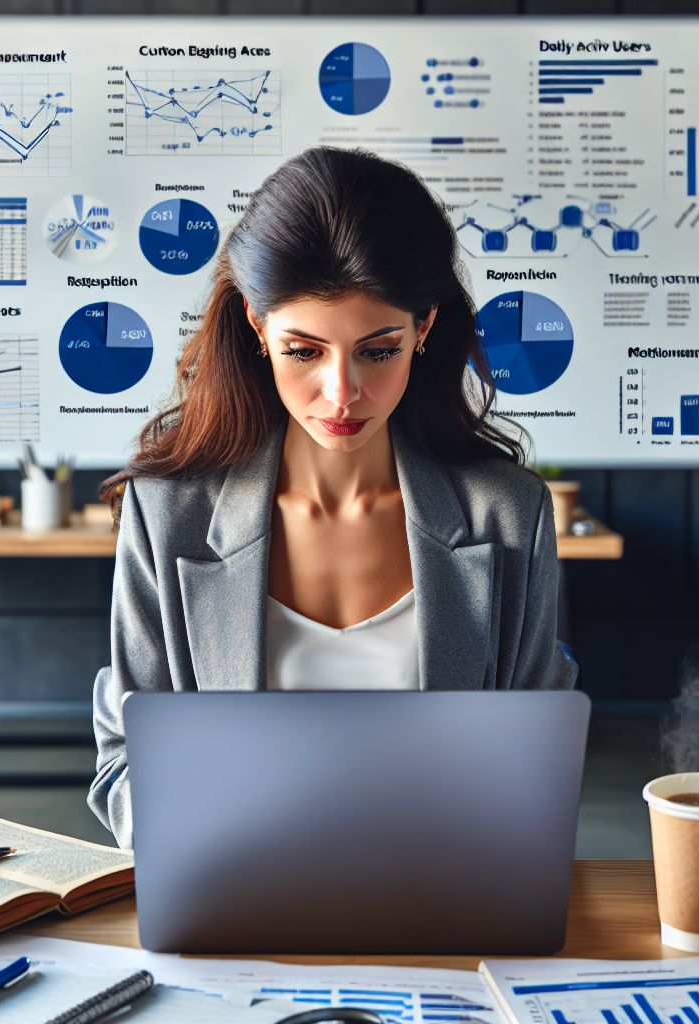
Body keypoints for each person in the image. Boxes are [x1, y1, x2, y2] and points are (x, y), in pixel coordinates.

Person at [88, 147, 577, 848]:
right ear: (258, 328)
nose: (342, 393)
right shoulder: (167, 515)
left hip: (440, 911)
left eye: (378, 350)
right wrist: (211, 834)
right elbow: (123, 768)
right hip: (235, 900)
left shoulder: (508, 514)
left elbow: (538, 766)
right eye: (304, 351)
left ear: (424, 329)